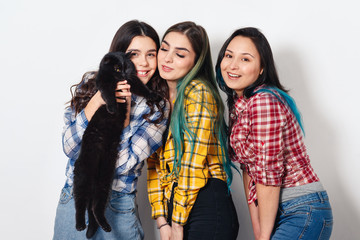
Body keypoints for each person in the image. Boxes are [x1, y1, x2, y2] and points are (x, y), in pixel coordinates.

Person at [53, 20, 169, 240]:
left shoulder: (157, 106)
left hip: (117, 204)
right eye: (133, 54)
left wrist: (123, 114)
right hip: (76, 198)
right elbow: (69, 147)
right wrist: (97, 102)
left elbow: (124, 163)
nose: (143, 63)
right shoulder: (90, 85)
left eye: (151, 54)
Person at [215, 27, 333, 240]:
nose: (232, 65)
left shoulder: (263, 102)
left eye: (245, 59)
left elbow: (269, 176)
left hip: (302, 208)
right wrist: (258, 229)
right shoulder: (240, 103)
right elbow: (249, 169)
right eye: (229, 55)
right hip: (277, 209)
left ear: (261, 68)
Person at [147, 21, 239, 240]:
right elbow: (154, 166)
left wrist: (177, 223)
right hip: (178, 208)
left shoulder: (198, 93)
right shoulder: (158, 101)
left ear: (195, 62)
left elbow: (192, 163)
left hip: (205, 202)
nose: (167, 58)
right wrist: (162, 222)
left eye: (180, 54)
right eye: (164, 48)